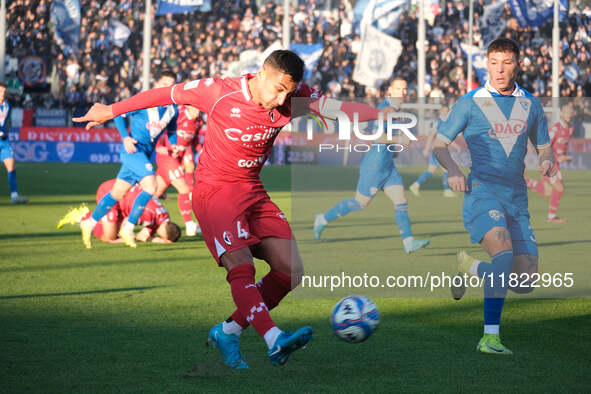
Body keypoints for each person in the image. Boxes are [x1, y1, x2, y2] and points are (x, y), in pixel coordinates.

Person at [74, 50, 386, 368]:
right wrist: (111, 110)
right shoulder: (219, 91)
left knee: (290, 271)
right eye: (278, 90)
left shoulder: (297, 96)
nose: (282, 101)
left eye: (288, 93)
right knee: (241, 265)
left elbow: (337, 109)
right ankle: (274, 339)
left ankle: (228, 331)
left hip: (253, 191)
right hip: (215, 193)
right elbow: (165, 93)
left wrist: (384, 115)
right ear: (262, 74)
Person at [432, 38, 556, 355]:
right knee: (502, 254)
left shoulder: (531, 105)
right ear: (486, 63)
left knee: (525, 282)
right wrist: (454, 171)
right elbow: (439, 144)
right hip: (482, 193)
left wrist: (546, 160)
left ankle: (469, 267)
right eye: (494, 62)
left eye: (507, 62)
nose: (500, 70)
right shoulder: (470, 102)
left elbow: (543, 144)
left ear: (518, 64)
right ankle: (489, 337)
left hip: (517, 199)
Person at [313, 77, 430, 254]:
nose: (403, 92)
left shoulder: (399, 111)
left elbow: (389, 139)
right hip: (375, 165)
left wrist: (396, 148)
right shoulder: (384, 109)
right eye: (399, 88)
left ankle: (408, 241)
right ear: (390, 91)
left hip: (388, 166)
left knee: (401, 201)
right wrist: (398, 140)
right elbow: (375, 136)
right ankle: (322, 219)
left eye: (405, 89)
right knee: (360, 203)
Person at [77, 70, 178, 249]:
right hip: (133, 150)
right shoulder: (144, 101)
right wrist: (125, 137)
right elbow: (118, 113)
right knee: (151, 186)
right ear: (157, 83)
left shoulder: (172, 109)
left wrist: (174, 145)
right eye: (164, 83)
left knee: (117, 193)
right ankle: (129, 228)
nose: (166, 87)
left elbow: (171, 131)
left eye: (170, 83)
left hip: (145, 153)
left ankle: (90, 222)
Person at [57, 179, 181, 244]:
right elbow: (130, 227)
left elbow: (143, 235)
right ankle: (82, 217)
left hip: (122, 201)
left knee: (117, 234)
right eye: (161, 236)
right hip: (112, 194)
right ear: (164, 234)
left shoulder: (164, 217)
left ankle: (94, 219)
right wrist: (156, 240)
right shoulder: (149, 216)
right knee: (109, 237)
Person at [154, 104, 203, 236]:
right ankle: (189, 224)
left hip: (182, 152)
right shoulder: (178, 115)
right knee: (184, 189)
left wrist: (201, 150)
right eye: (196, 108)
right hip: (169, 155)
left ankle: (131, 219)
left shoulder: (199, 121)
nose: (198, 111)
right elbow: (160, 129)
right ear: (188, 107)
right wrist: (159, 146)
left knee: (154, 192)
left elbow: (195, 140)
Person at [524, 101, 575, 223]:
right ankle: (551, 217)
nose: (569, 114)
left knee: (548, 192)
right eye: (566, 112)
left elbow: (562, 147)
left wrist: (564, 156)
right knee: (559, 188)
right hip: (548, 162)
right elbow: (545, 148)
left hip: (555, 163)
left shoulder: (571, 129)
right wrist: (558, 157)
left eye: (571, 112)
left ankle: (524, 181)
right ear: (561, 113)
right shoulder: (555, 129)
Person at [408, 105, 457, 198]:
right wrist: (426, 148)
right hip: (438, 149)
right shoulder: (438, 122)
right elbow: (431, 136)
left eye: (447, 111)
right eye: (444, 111)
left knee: (431, 170)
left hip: (440, 148)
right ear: (440, 112)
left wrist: (456, 146)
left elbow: (446, 138)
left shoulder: (446, 122)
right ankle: (447, 190)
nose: (446, 113)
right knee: (445, 169)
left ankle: (415, 185)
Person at [0, 82, 27, 204]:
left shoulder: (7, 105)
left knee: (11, 166)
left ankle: (14, 196)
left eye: (4, 92)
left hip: (4, 142)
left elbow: (7, 122)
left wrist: (6, 132)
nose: (2, 94)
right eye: (0, 91)